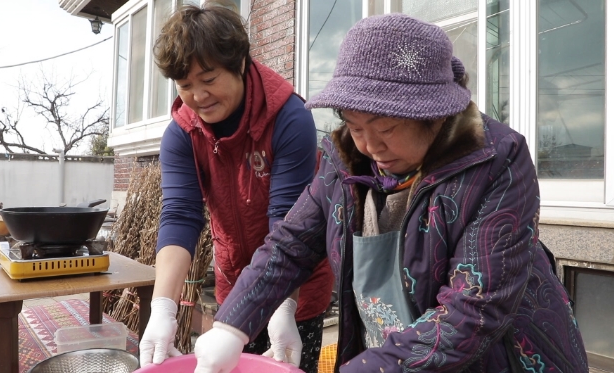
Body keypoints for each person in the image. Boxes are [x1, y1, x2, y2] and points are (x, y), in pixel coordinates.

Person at [193, 13, 589, 373]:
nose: (368, 145)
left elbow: (473, 310)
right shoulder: (343, 158)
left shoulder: (495, 161)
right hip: (391, 356)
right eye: (355, 124)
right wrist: (231, 325)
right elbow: (290, 244)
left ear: (433, 115)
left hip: (503, 358)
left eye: (385, 128)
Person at [139, 1, 334, 372]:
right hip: (234, 286)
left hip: (297, 290)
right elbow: (180, 215)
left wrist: (283, 306)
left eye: (209, 79)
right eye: (185, 85)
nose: (197, 97)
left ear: (241, 64)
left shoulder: (289, 118)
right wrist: (162, 307)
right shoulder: (182, 133)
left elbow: (288, 223)